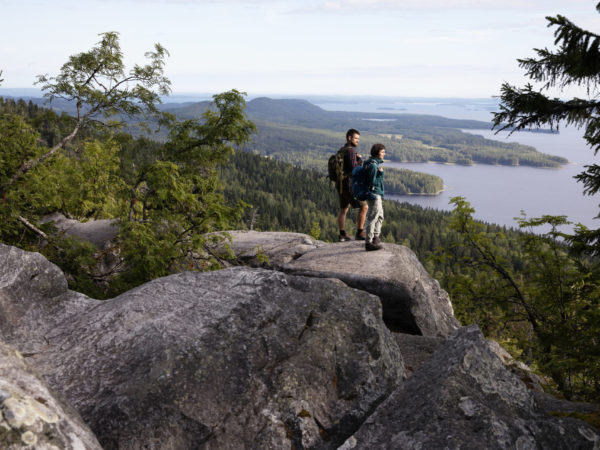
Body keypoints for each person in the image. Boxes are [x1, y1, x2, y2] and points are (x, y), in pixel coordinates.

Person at [337, 129, 368, 241]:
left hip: (340, 185)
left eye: (358, 139)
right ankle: (360, 232)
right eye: (356, 138)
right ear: (349, 138)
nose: (357, 141)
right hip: (350, 186)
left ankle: (342, 234)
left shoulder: (341, 150)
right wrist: (359, 160)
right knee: (364, 207)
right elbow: (354, 170)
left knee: (343, 209)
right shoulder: (351, 152)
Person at [363, 143, 386, 251]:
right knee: (372, 217)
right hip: (374, 194)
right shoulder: (373, 166)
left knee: (380, 216)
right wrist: (380, 174)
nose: (384, 154)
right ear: (377, 153)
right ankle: (368, 242)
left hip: (377, 194)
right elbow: (371, 182)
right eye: (382, 152)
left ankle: (376, 237)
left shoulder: (375, 164)